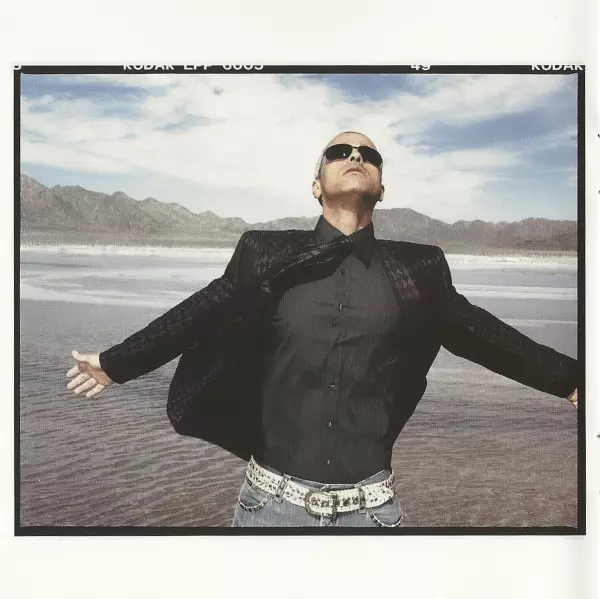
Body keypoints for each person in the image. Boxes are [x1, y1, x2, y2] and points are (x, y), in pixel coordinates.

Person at [67, 131, 579, 528]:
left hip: (372, 515)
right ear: (317, 186)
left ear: (381, 187)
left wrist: (573, 380)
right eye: (340, 151)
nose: (356, 155)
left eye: (369, 155)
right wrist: (116, 363)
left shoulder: (419, 269)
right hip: (268, 510)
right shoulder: (265, 254)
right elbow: (204, 310)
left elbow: (482, 334)